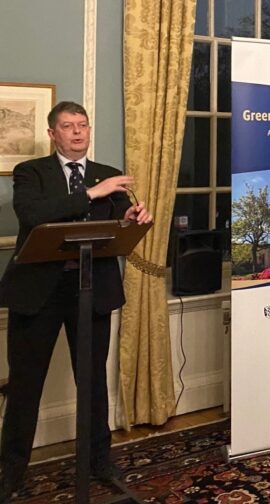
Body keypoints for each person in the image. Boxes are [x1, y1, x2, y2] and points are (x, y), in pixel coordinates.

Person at [0, 101, 153, 501]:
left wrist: (134, 217)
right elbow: (33, 214)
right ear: (53, 134)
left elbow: (121, 219)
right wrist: (91, 193)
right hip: (38, 294)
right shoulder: (31, 172)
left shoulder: (108, 174)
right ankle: (11, 470)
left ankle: (99, 461)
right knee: (25, 385)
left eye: (83, 125)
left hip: (92, 291)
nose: (78, 132)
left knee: (93, 382)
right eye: (68, 126)